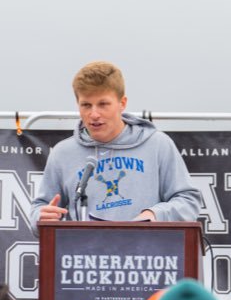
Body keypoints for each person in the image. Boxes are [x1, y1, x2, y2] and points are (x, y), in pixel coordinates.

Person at [30, 61, 201, 236]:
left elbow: (189, 201)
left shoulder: (158, 144)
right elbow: (40, 209)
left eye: (103, 104)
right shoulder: (62, 153)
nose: (94, 114)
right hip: (85, 257)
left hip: (148, 254)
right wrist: (41, 217)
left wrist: (155, 215)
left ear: (122, 103)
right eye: (86, 105)